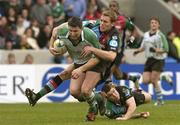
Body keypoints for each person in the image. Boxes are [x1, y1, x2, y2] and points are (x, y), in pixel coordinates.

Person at [25, 17, 107, 119]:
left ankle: (93, 107)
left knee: (85, 91)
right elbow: (54, 33)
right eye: (70, 30)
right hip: (78, 62)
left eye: (75, 31)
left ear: (82, 29)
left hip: (93, 63)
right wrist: (51, 47)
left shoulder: (90, 35)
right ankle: (99, 97)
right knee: (74, 92)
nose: (72, 33)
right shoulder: (63, 31)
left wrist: (81, 69)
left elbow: (98, 57)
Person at [133, 17, 169, 106]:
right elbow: (144, 47)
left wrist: (157, 50)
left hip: (159, 59)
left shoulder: (160, 35)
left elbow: (166, 49)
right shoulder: (145, 35)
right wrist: (137, 51)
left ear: (158, 25)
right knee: (145, 81)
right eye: (152, 23)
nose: (153, 24)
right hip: (149, 59)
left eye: (155, 23)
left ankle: (160, 101)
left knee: (153, 80)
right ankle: (162, 77)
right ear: (150, 24)